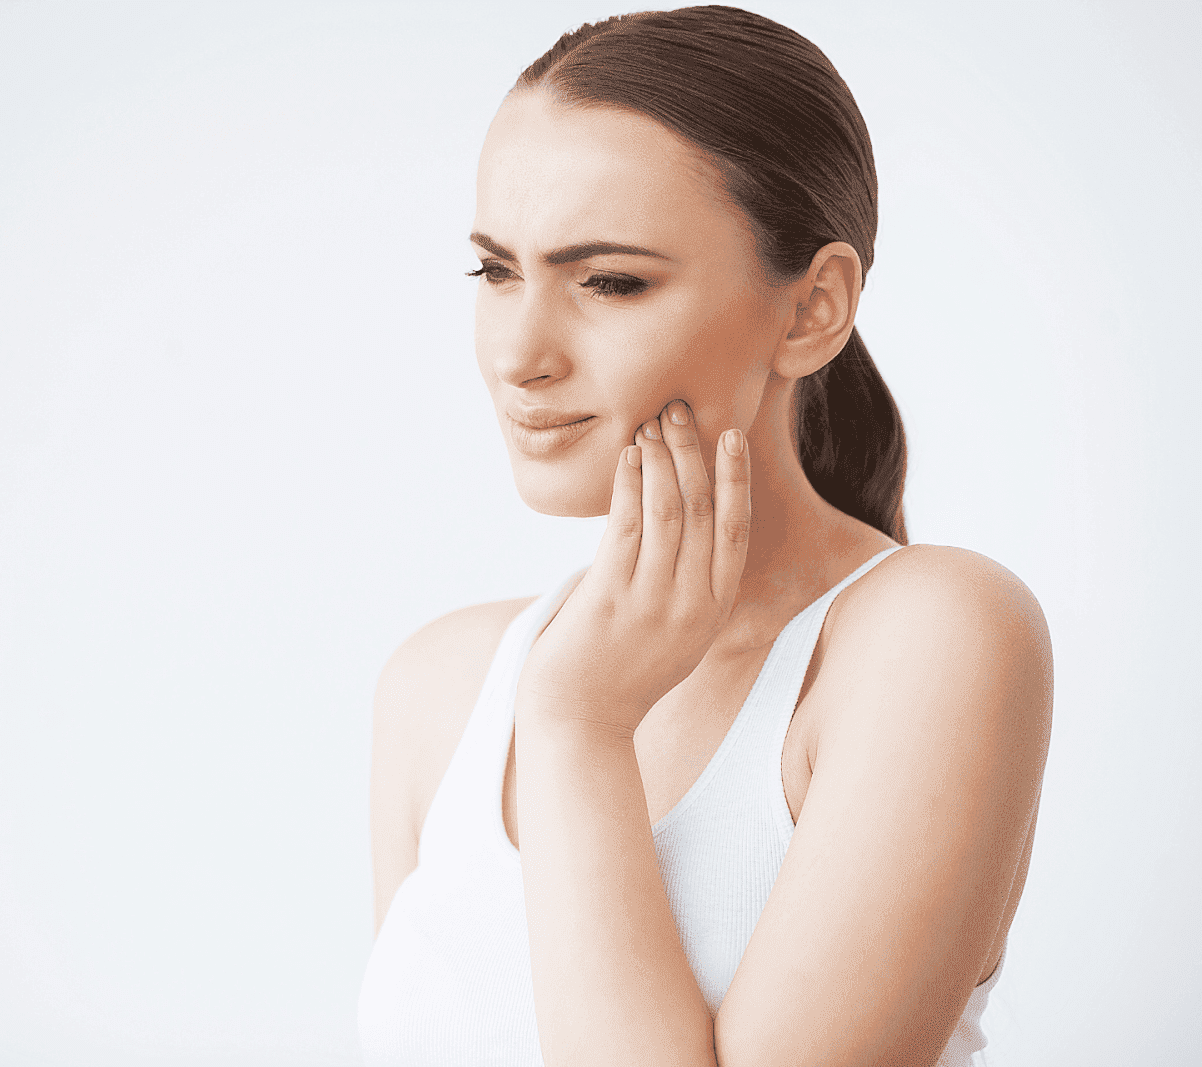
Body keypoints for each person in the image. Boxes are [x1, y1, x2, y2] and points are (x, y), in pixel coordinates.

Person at [357, 7, 1053, 1066]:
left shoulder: (929, 638)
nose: (521, 353)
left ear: (811, 309)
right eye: (496, 271)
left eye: (609, 280)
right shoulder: (438, 685)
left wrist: (580, 723)